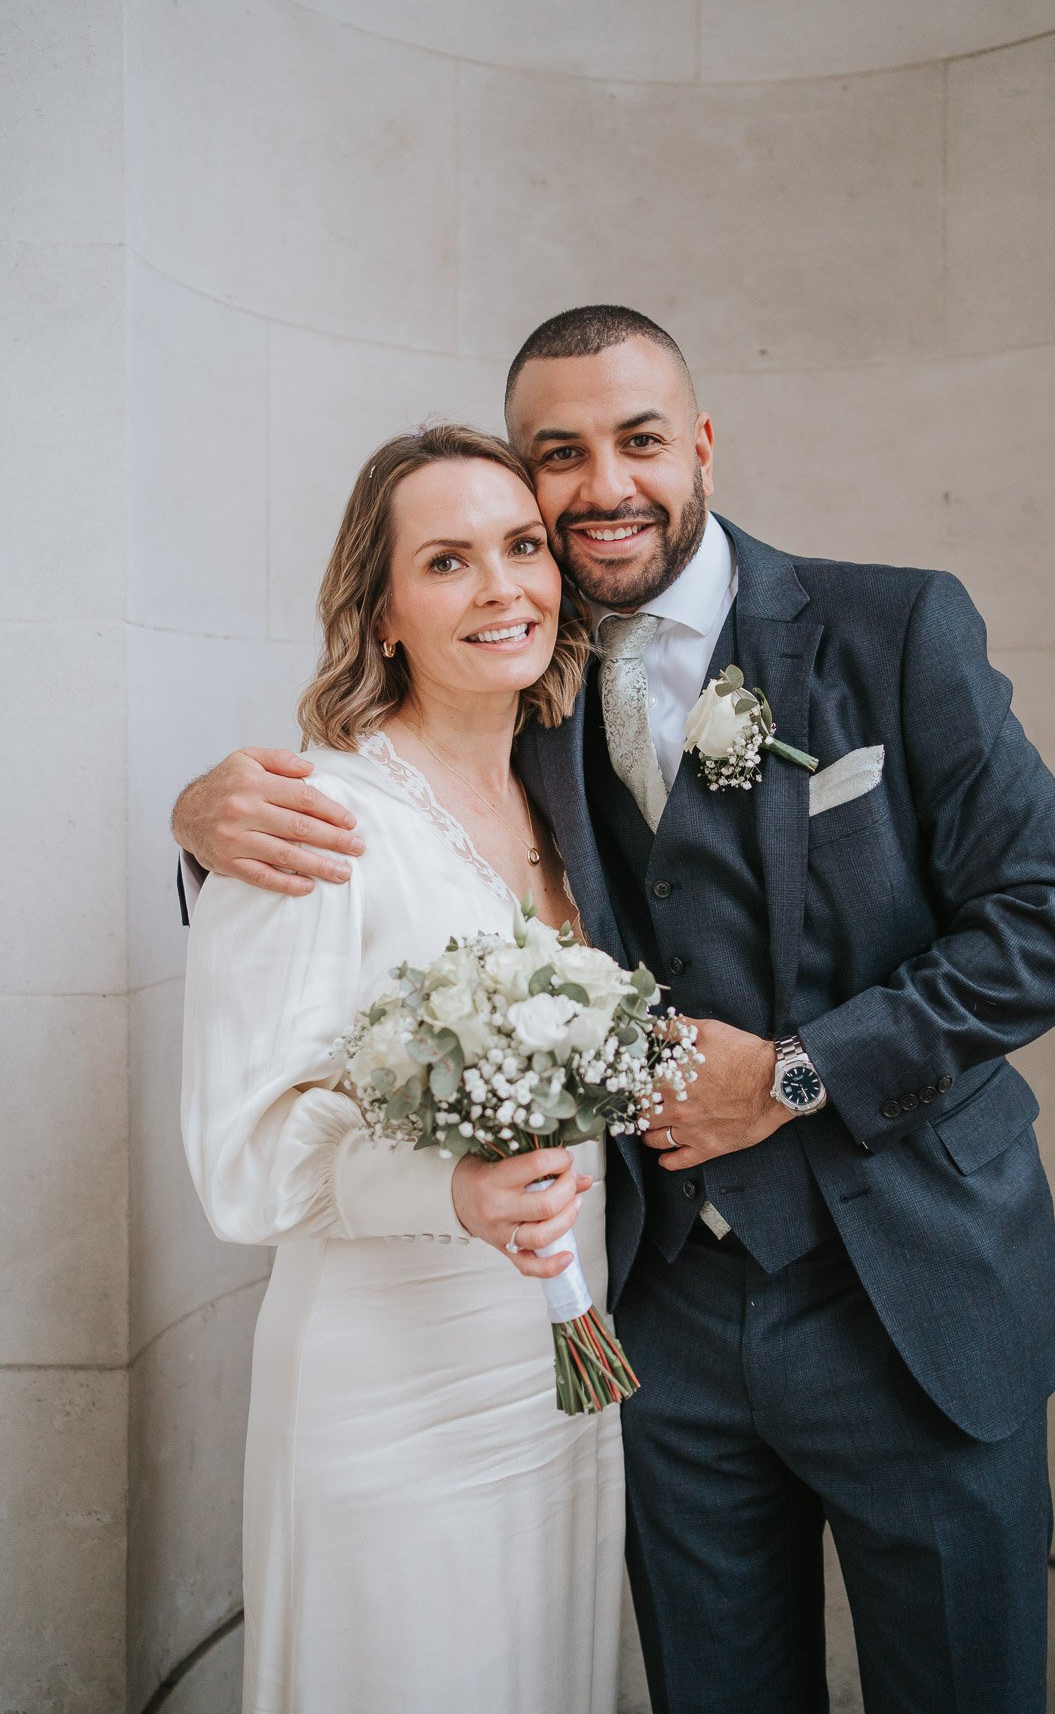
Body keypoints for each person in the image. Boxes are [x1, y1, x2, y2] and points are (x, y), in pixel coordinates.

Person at [175, 307, 1055, 1714]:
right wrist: (201, 830)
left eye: (639, 440)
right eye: (559, 455)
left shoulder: (892, 626)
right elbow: (388, 850)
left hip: (913, 1307)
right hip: (657, 1333)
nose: (604, 486)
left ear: (704, 447)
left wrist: (796, 1074)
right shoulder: (531, 687)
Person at [180, 423, 623, 1713]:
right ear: (382, 614)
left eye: (522, 547)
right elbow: (245, 1164)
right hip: (392, 1393)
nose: (502, 588)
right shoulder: (313, 816)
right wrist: (452, 1193)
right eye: (447, 561)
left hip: (558, 1374)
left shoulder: (570, 800)